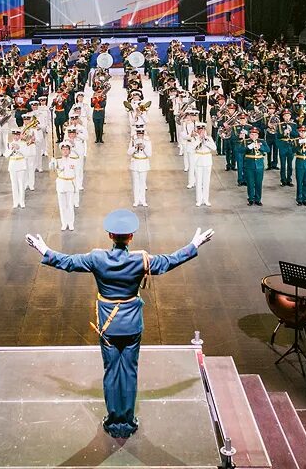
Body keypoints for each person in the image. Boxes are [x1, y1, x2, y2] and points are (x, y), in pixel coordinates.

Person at [25, 209, 214, 439]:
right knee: (130, 371)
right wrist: (194, 244)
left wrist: (43, 249)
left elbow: (68, 262)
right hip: (132, 324)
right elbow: (170, 261)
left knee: (112, 372)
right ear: (131, 237)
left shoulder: (96, 258)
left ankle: (114, 422)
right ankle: (129, 419)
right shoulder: (141, 260)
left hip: (108, 326)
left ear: (110, 236)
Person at [50, 142, 79, 230]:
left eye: (67, 149)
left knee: (70, 205)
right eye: (63, 150)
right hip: (61, 184)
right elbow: (52, 169)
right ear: (61, 151)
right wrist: (52, 162)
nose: (65, 151)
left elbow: (76, 174)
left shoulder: (74, 160)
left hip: (70, 184)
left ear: (70, 151)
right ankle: (64, 223)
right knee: (62, 206)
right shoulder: (58, 160)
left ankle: (70, 223)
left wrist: (76, 187)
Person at [191, 123, 215, 207]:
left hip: (207, 161)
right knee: (198, 181)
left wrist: (206, 141)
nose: (201, 132)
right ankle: (199, 200)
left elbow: (214, 148)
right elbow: (192, 147)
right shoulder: (195, 139)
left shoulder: (209, 138)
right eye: (199, 130)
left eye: (203, 130)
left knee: (206, 181)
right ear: (197, 131)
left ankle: (206, 199)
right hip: (198, 161)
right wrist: (199, 140)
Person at [5, 128, 29, 209]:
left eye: (17, 135)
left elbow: (26, 154)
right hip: (12, 165)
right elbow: (5, 155)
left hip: (21, 165)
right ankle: (15, 202)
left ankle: (22, 201)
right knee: (14, 184)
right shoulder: (9, 144)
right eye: (14, 135)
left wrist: (19, 148)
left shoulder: (23, 143)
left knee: (21, 184)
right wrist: (11, 149)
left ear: (20, 135)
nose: (16, 137)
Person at [128, 127, 151, 207]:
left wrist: (144, 148)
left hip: (144, 163)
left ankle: (143, 200)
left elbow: (149, 154)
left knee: (142, 182)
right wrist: (135, 147)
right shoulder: (133, 141)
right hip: (135, 163)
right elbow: (128, 152)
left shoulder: (147, 141)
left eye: (141, 134)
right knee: (136, 183)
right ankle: (136, 200)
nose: (140, 136)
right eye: (138, 134)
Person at [242, 127, 266, 206]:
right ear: (249, 135)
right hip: (249, 165)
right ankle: (251, 199)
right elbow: (239, 150)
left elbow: (268, 149)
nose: (254, 136)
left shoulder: (261, 141)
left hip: (259, 165)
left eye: (255, 134)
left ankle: (258, 199)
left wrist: (261, 147)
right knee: (250, 183)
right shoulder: (246, 142)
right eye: (252, 134)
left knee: (259, 183)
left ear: (258, 135)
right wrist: (248, 147)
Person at [293, 125, 306, 205]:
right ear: (298, 132)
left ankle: (305, 198)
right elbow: (292, 150)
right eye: (301, 132)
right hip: (300, 161)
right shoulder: (296, 140)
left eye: (304, 132)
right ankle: (299, 198)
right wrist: (299, 145)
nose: (302, 133)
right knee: (299, 181)